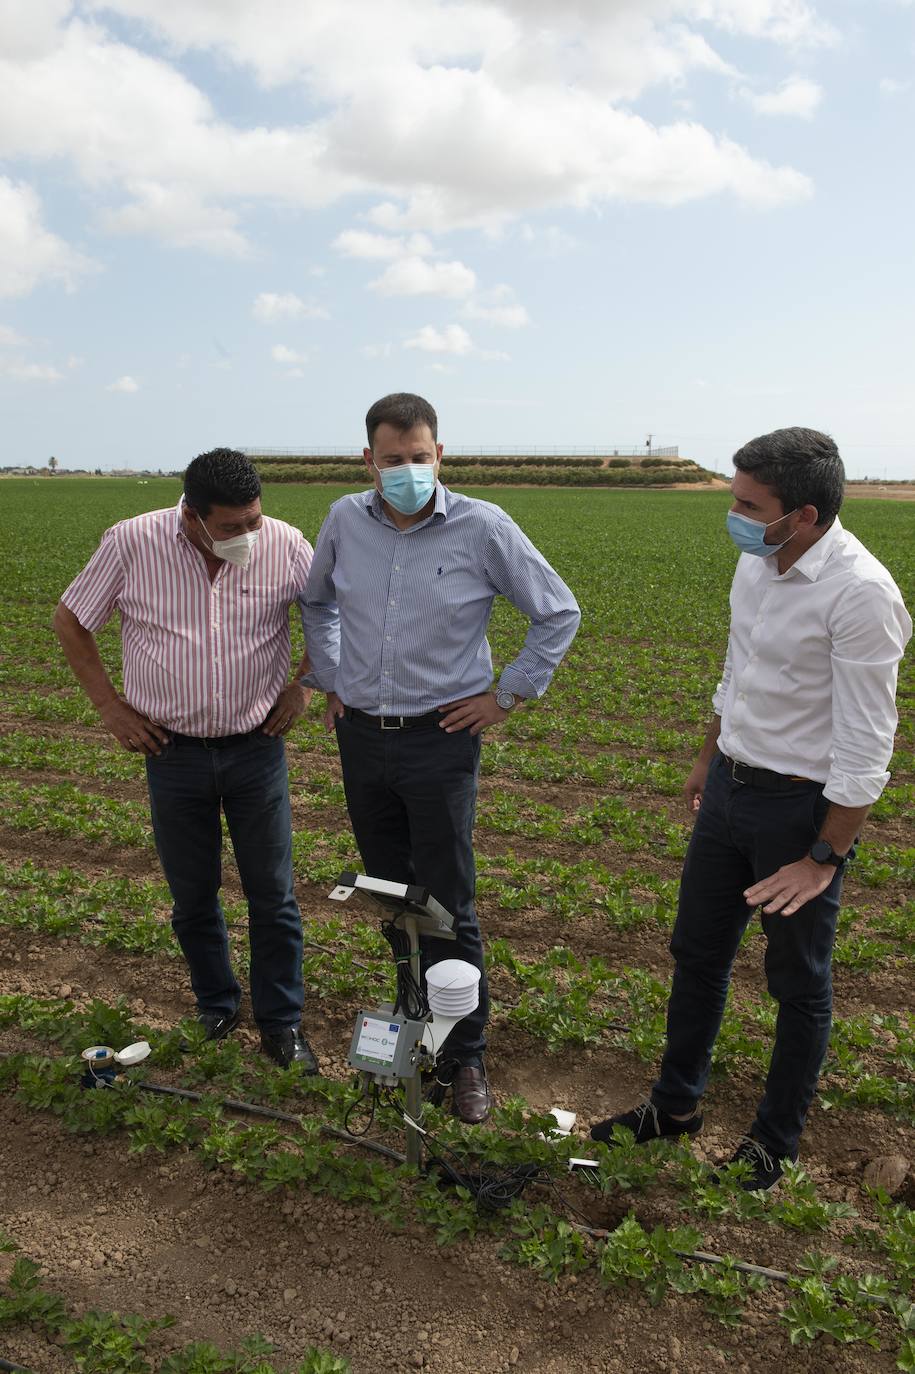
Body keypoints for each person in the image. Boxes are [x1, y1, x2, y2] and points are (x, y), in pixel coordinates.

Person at [591, 427, 911, 1189]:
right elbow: (738, 667)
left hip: (799, 814)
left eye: (744, 503)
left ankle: (773, 1143)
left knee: (797, 984)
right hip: (731, 791)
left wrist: (821, 858)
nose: (730, 514)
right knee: (695, 955)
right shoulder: (755, 562)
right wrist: (709, 753)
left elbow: (869, 743)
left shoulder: (861, 594)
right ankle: (672, 1109)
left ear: (801, 515)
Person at [300, 393, 580, 1123]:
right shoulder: (341, 521)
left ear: (440, 455)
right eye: (392, 459)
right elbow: (316, 602)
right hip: (360, 737)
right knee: (392, 899)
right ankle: (409, 1036)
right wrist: (328, 678)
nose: (406, 470)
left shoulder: (482, 526)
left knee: (448, 905)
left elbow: (557, 611)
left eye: (418, 457)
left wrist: (506, 696)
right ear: (368, 460)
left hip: (441, 739)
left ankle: (466, 1057)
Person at [54, 449, 318, 1069]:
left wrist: (305, 684)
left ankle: (282, 1024)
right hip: (172, 753)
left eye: (254, 520)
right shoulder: (132, 542)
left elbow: (330, 617)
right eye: (230, 527)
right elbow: (71, 620)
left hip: (256, 749)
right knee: (193, 894)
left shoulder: (284, 543)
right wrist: (112, 709)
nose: (248, 536)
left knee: (273, 894)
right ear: (192, 516)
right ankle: (216, 1005)